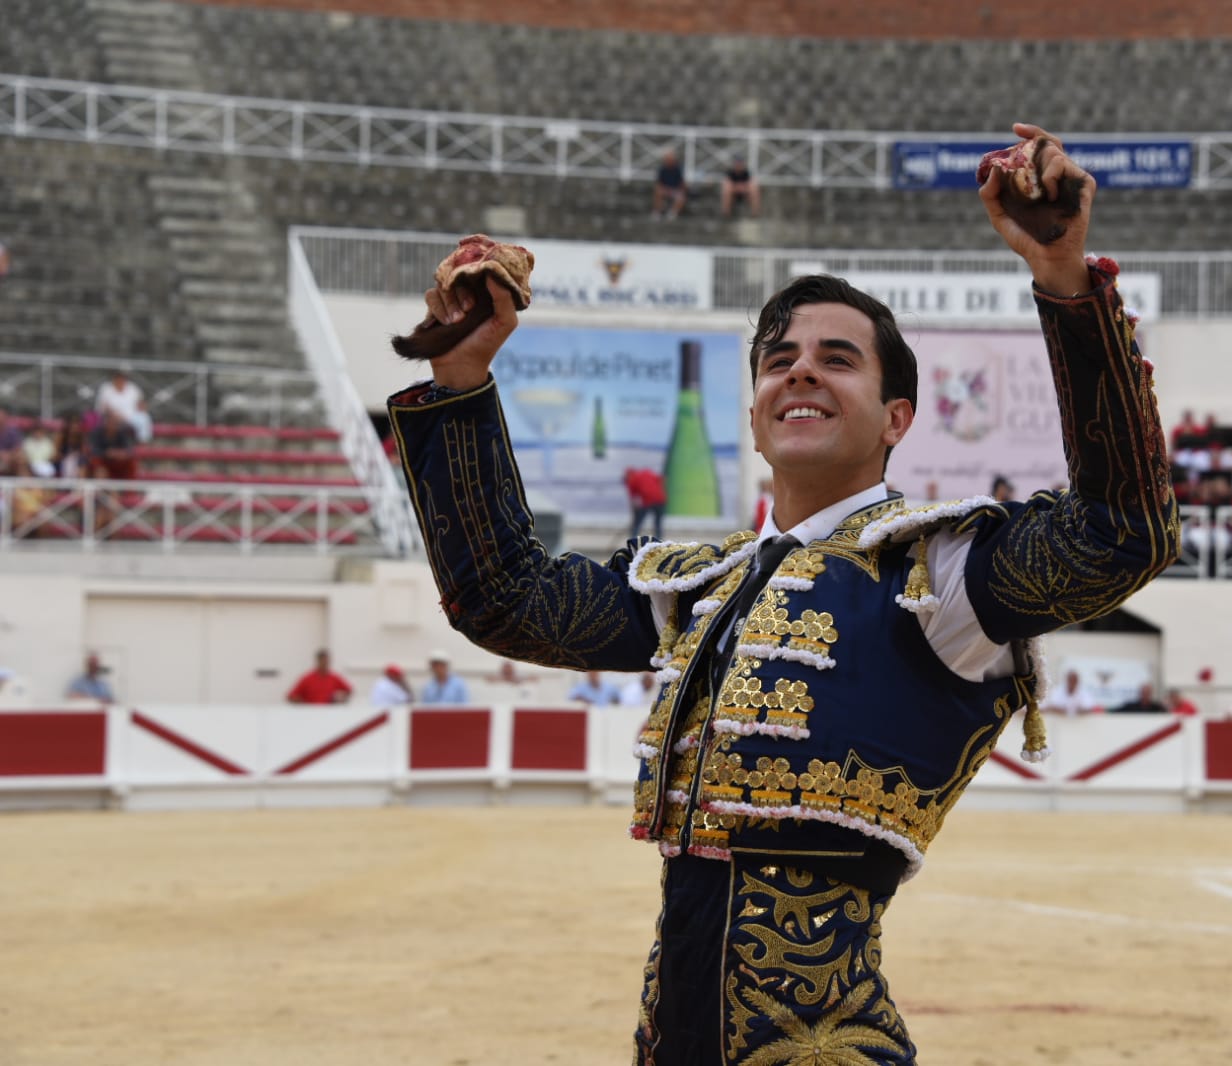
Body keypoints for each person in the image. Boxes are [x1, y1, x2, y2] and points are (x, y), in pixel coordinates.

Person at [386, 120, 1177, 1064]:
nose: (799, 367)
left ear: (897, 419)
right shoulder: (698, 586)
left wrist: (1064, 282)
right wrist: (463, 374)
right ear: (757, 415)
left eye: (837, 358)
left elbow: (1120, 534)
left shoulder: (942, 574)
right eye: (777, 358)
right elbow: (507, 598)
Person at [86, 409, 139, 480]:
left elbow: (129, 449)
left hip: (117, 462)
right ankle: (102, 488)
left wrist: (121, 453)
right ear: (105, 422)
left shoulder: (121, 433)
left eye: (115, 423)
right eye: (110, 422)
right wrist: (107, 453)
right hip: (102, 461)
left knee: (131, 462)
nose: (113, 425)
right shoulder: (97, 433)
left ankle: (130, 489)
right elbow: (92, 449)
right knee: (97, 464)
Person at [286, 649, 352, 704]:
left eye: (327, 661)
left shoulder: (334, 677)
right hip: (311, 713)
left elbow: (348, 690)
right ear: (318, 661)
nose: (325, 663)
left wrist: (340, 698)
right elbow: (291, 696)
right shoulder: (307, 678)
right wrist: (302, 703)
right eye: (323, 660)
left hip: (329, 712)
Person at [622, 466, 667, 540]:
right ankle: (659, 540)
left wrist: (635, 513)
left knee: (638, 522)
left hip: (648, 501)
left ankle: (633, 539)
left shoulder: (632, 480)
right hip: (660, 499)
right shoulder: (647, 472)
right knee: (658, 523)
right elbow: (661, 479)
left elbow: (633, 499)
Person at [652, 149, 687, 220]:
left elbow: (681, 182)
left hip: (675, 190)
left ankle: (672, 213)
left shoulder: (678, 169)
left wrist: (681, 190)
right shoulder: (662, 169)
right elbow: (659, 183)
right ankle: (657, 212)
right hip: (665, 189)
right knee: (658, 192)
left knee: (681, 197)